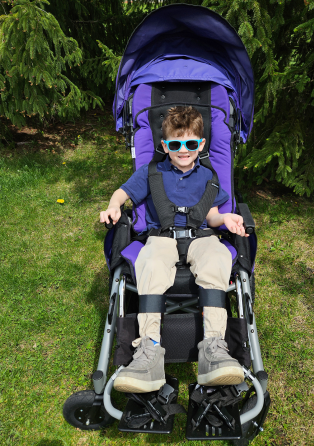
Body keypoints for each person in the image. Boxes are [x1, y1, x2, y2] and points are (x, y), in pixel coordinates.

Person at [99, 106, 249, 392]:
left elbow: (212, 214)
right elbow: (123, 192)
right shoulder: (152, 172)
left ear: (201, 145)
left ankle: (214, 347)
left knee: (217, 257)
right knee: (151, 263)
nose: (183, 150)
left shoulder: (208, 176)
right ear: (165, 145)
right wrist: (114, 205)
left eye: (191, 144)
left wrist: (225, 219)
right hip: (162, 237)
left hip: (202, 235)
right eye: (176, 144)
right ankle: (148, 351)